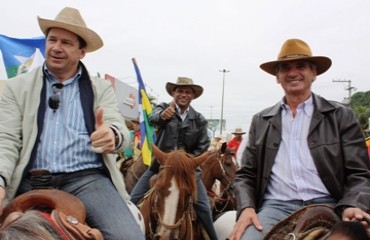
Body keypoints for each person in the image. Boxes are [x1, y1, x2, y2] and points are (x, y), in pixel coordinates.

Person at [0, 7, 144, 240]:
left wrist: (112, 136)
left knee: (130, 237)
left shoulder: (101, 88)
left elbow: (119, 130)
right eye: (52, 40)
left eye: (66, 42)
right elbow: (5, 139)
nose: (56, 47)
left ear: (82, 52)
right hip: (30, 180)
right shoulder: (16, 87)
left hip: (86, 180)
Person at [229, 38, 370, 240]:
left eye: (301, 66)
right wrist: (246, 208)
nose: (293, 72)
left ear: (314, 73)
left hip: (330, 202)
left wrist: (352, 204)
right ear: (277, 77)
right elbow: (246, 175)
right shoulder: (261, 120)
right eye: (285, 68)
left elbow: (359, 173)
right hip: (274, 206)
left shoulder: (341, 115)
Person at [130, 77, 218, 240]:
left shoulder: (199, 120)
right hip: (159, 167)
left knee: (204, 208)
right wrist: (163, 116)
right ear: (174, 93)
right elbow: (153, 118)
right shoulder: (163, 108)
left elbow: (203, 145)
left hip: (189, 172)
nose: (184, 94)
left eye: (187, 92)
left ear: (193, 96)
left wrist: (184, 162)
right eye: (180, 91)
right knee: (132, 200)